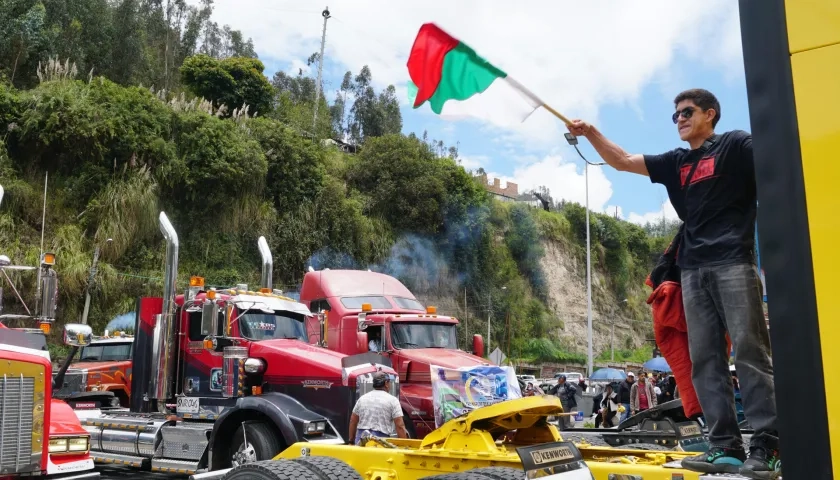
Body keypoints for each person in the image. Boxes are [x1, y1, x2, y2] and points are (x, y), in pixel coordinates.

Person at [567, 88, 779, 478]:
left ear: (710, 114)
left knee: (749, 353)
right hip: (692, 271)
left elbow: (776, 161)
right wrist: (591, 131)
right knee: (706, 359)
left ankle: (768, 445)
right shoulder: (676, 161)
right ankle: (725, 446)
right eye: (675, 115)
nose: (679, 119)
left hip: (734, 261)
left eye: (687, 112)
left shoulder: (735, 145)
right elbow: (622, 161)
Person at [348, 372, 408, 444]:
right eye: (389, 382)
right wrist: (405, 445)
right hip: (380, 442)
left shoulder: (362, 399)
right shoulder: (393, 400)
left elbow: (353, 421)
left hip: (360, 441)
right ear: (386, 383)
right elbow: (400, 426)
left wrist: (351, 441)